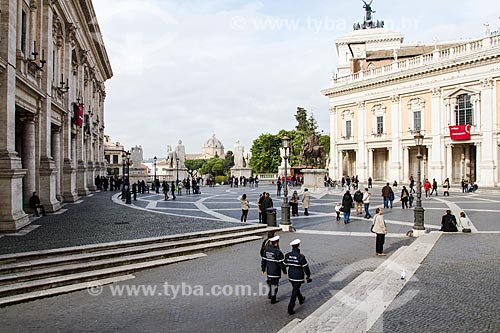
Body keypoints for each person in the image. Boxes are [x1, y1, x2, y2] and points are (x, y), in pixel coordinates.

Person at [284, 239, 312, 315]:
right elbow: (305, 267)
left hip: (291, 275)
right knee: (295, 291)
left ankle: (301, 299)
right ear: (298, 246)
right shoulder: (301, 256)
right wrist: (308, 275)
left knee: (295, 288)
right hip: (298, 276)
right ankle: (290, 308)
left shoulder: (287, 255)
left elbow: (285, 264)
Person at [261, 235, 286, 304]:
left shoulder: (266, 250)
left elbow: (263, 261)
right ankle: (273, 299)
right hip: (276, 272)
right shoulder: (278, 252)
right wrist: (284, 271)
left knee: (272, 283)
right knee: (275, 286)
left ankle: (270, 295)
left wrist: (263, 269)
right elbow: (282, 264)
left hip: (269, 271)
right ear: (276, 243)